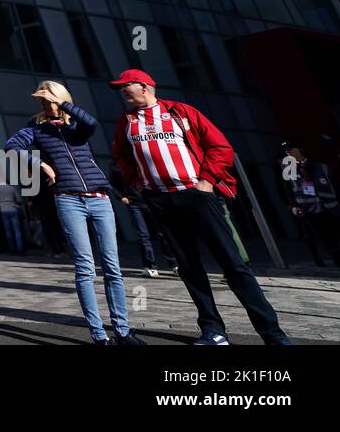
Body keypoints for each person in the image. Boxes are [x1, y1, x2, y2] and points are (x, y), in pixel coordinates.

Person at [110, 68, 290, 346]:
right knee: (189, 267)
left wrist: (206, 182)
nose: (122, 91)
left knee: (233, 265)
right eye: (120, 88)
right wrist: (138, 183)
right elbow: (121, 155)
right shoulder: (126, 122)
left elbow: (220, 147)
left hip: (196, 195)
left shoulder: (180, 112)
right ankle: (213, 330)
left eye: (126, 86)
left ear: (145, 87)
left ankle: (272, 334)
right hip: (160, 201)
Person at [6, 81, 143, 345]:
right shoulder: (36, 127)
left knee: (113, 268)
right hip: (68, 199)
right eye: (42, 101)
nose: (45, 105)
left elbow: (91, 123)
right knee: (85, 269)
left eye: (48, 100)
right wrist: (41, 164)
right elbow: (11, 147)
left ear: (60, 99)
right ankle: (99, 335)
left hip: (100, 199)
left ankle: (123, 331)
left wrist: (61, 106)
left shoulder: (76, 127)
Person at [280, 145, 340, 267]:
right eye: (286, 151)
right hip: (306, 209)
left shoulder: (319, 165)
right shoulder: (289, 170)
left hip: (328, 206)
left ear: (300, 150)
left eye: (291, 149)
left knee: (335, 233)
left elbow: (335, 184)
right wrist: (292, 206)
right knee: (323, 237)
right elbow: (288, 190)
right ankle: (335, 259)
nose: (288, 152)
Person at [109, 164, 173, 276]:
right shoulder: (117, 166)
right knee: (143, 236)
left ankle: (174, 264)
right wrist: (121, 197)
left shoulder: (140, 160)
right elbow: (113, 185)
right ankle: (150, 267)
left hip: (151, 201)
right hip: (134, 204)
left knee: (162, 233)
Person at [0, 181, 25, 256]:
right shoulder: (11, 188)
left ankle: (12, 248)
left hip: (3, 210)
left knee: (8, 231)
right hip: (13, 209)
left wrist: (1, 204)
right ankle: (20, 249)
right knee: (17, 230)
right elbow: (18, 200)